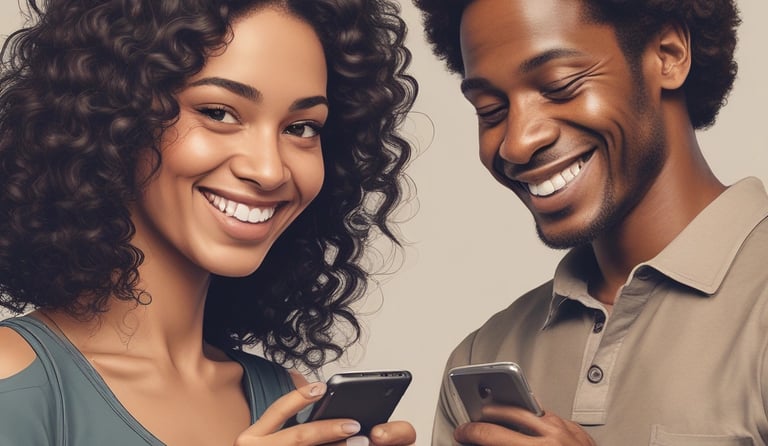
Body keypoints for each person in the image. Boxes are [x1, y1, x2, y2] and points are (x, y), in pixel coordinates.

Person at [0, 0, 417, 445]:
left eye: (301, 127)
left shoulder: (292, 404)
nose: (270, 170)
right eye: (219, 113)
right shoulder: (16, 381)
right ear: (116, 117)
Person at [413, 0, 767, 444]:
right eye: (490, 111)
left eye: (559, 86)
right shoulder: (484, 355)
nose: (517, 144)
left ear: (669, 55)